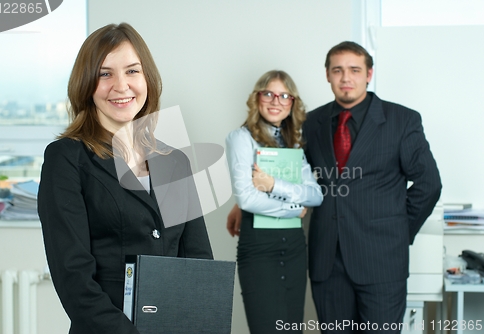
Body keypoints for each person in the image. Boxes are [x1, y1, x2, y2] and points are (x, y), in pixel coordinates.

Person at [228, 42, 442, 333]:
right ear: (327, 75)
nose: (346, 78)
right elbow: (297, 175)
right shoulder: (311, 122)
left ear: (369, 74)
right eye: (337, 70)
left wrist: (399, 233)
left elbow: (429, 185)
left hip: (381, 261)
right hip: (327, 262)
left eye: (354, 70)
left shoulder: (401, 120)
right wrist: (244, 202)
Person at [38, 23, 213, 334]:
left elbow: (198, 264)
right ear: (86, 84)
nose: (121, 85)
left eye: (132, 71)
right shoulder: (66, 159)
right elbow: (73, 275)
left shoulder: (175, 162)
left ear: (147, 79)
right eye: (105, 74)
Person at [225, 70, 323, 333]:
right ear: (257, 98)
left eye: (284, 95)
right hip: (259, 249)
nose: (276, 100)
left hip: (293, 248)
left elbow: (316, 195)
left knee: (292, 329)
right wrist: (294, 207)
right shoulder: (241, 138)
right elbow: (246, 198)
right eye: (268, 93)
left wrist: (272, 185)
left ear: (292, 103)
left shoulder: (293, 144)